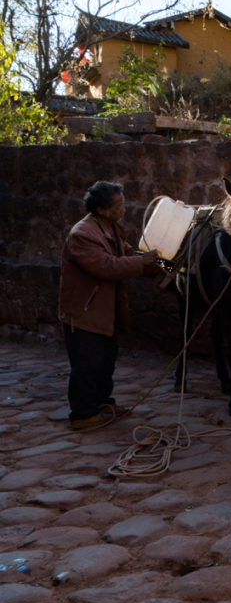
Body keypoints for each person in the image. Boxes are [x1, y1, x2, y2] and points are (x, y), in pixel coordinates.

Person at [58, 181, 157, 430]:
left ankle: (102, 405)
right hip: (84, 313)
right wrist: (143, 262)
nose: (124, 210)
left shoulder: (109, 228)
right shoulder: (82, 234)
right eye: (119, 205)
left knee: (105, 361)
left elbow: (126, 255)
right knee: (87, 365)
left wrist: (156, 263)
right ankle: (82, 415)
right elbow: (107, 266)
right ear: (101, 209)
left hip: (103, 312)